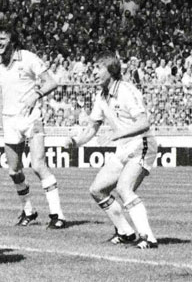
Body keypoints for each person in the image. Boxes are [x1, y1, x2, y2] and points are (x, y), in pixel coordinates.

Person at [66, 52, 159, 249]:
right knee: (97, 190)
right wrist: (76, 142)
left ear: (111, 70)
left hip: (141, 144)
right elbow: (92, 127)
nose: (93, 73)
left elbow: (144, 123)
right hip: (124, 147)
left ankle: (148, 237)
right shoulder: (101, 96)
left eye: (98, 69)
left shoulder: (126, 91)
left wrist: (116, 135)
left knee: (125, 189)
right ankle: (125, 232)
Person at [0, 27, 65, 228]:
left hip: (31, 118)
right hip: (10, 121)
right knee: (14, 171)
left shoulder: (28, 58)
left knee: (38, 165)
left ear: (12, 40)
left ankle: (58, 216)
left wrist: (36, 95)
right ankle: (29, 211)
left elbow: (51, 82)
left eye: (2, 37)